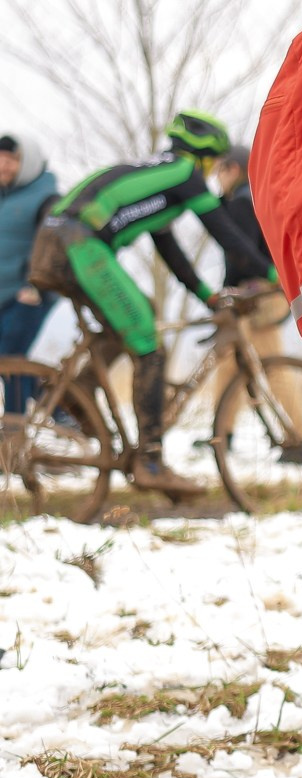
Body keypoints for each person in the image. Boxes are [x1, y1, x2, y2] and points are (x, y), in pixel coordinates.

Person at [26, 112, 276, 494]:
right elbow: (226, 234)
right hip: (78, 243)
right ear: (206, 157)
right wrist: (276, 275)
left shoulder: (160, 180)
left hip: (57, 241)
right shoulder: (184, 174)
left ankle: (80, 394)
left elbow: (172, 252)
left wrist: (205, 295)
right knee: (148, 342)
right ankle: (151, 462)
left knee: (139, 314)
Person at [204, 143, 302, 465]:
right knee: (230, 364)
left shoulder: (240, 204)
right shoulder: (252, 199)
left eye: (219, 170)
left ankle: (300, 441)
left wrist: (227, 293)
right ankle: (221, 435)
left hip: (258, 298)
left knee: (271, 368)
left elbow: (242, 256)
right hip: (261, 295)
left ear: (232, 169)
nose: (215, 178)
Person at [0, 131, 60, 414]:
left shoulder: (45, 197)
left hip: (28, 295)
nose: (4, 165)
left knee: (9, 360)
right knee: (8, 360)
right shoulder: (4, 196)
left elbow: (50, 243)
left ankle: (14, 431)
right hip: (4, 294)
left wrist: (34, 287)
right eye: (0, 158)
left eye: (12, 159)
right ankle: (60, 409)